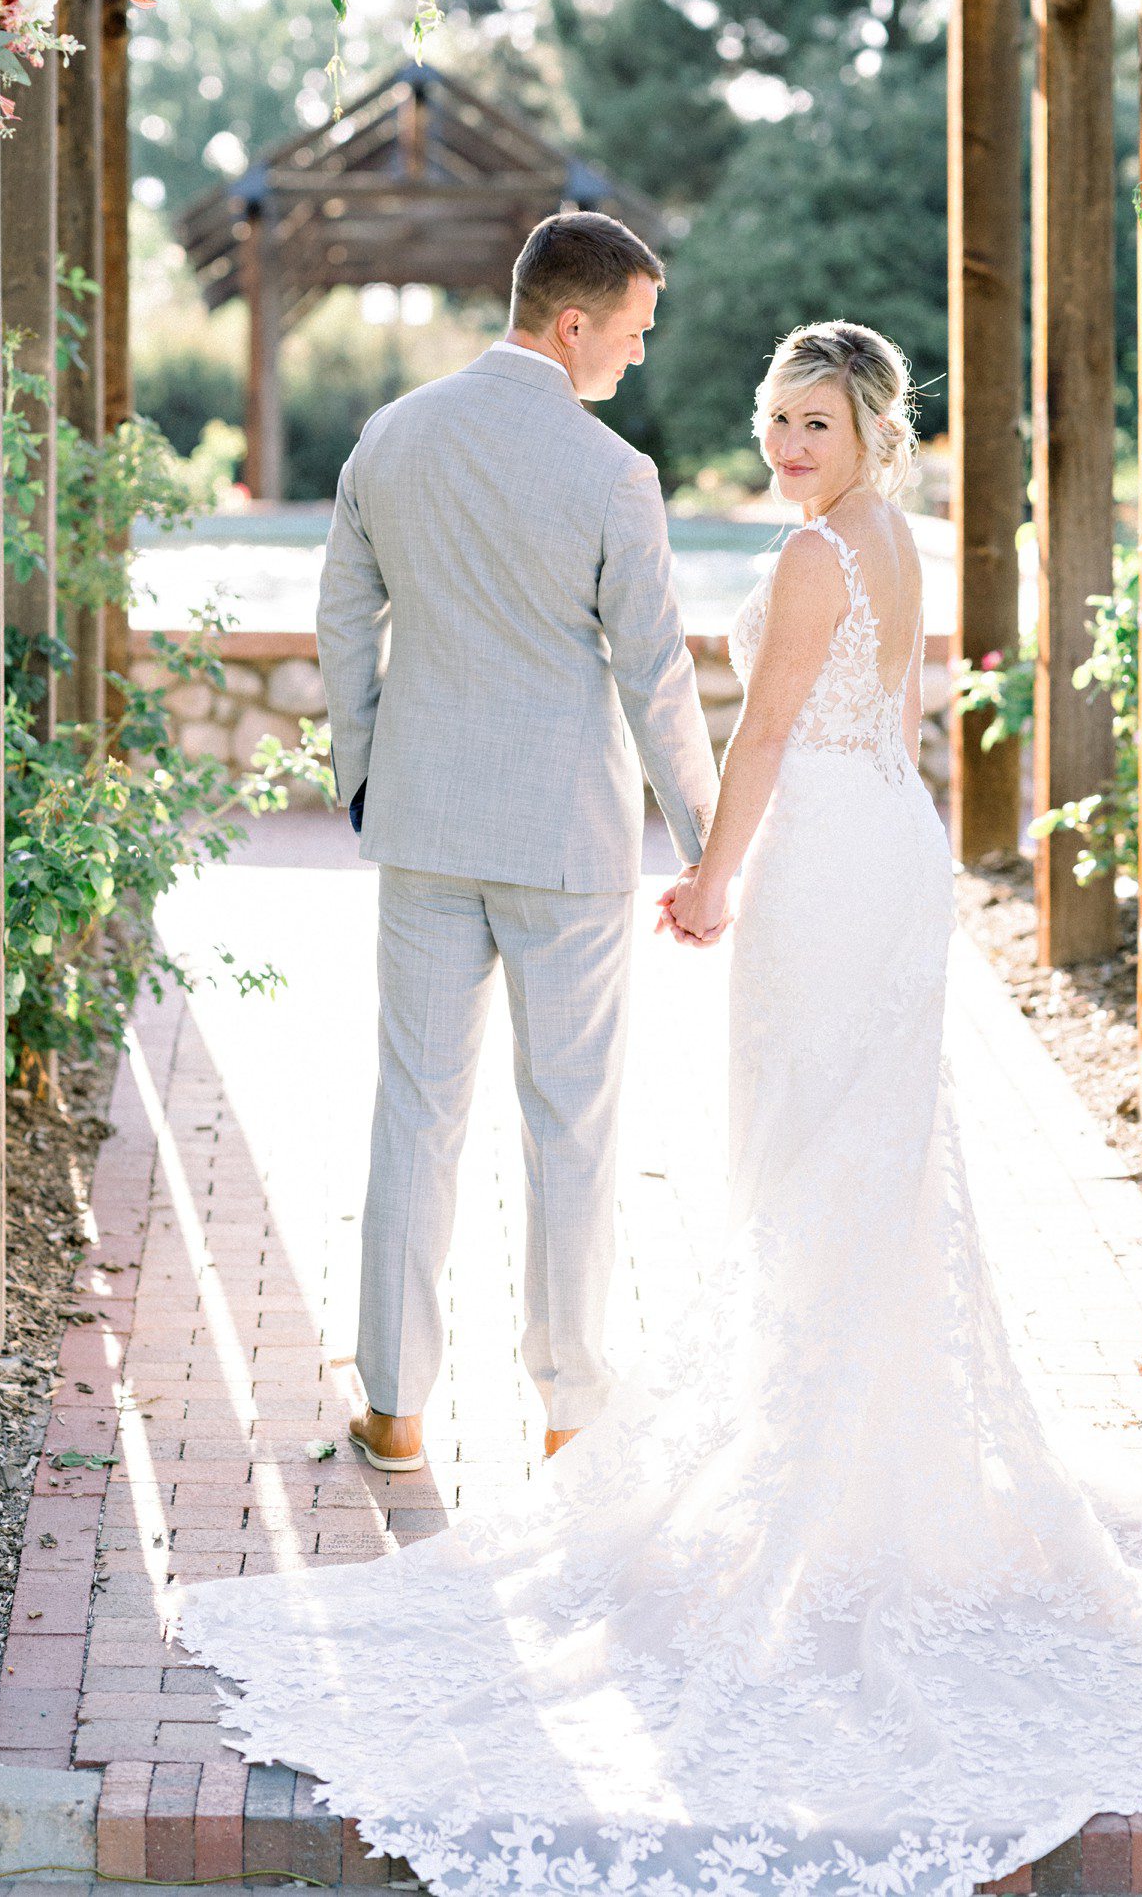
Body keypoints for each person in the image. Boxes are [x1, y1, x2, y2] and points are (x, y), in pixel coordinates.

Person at [175, 318, 1142, 1897]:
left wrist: (711, 876)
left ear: (869, 426)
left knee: (814, 1158)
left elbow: (770, 732)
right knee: (861, 1160)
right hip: (889, 846)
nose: (787, 446)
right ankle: (867, 1443)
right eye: (774, 420)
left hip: (824, 869)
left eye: (813, 423)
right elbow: (879, 727)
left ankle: (833, 1467)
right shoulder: (885, 540)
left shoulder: (809, 563)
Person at [313, 210, 718, 1473]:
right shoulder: (614, 475)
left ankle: (394, 1412)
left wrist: (369, 774)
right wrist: (709, 846)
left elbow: (340, 622)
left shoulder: (391, 436)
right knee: (573, 1126)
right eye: (634, 333)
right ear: (574, 320)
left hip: (425, 828)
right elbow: (657, 677)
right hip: (567, 843)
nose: (637, 361)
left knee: (415, 1117)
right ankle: (566, 1415)